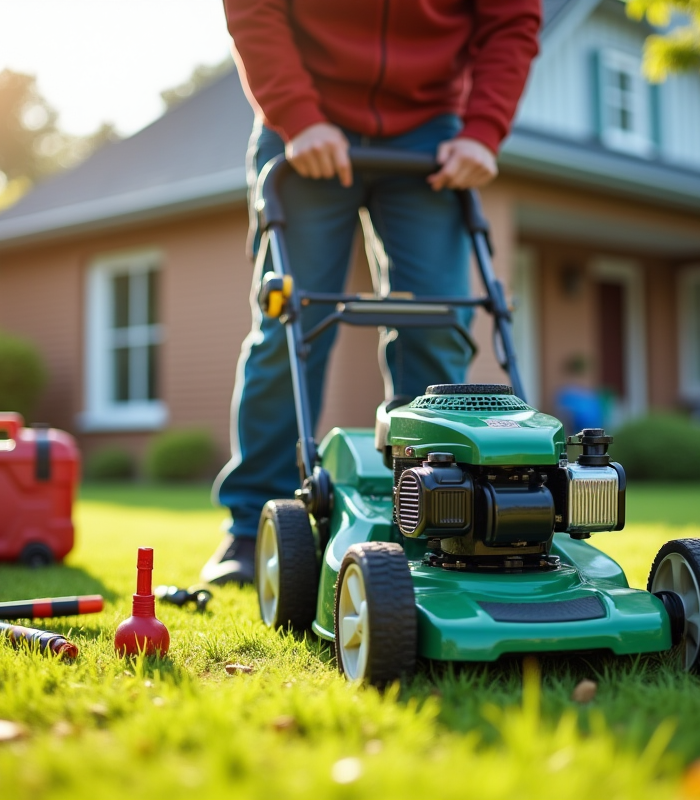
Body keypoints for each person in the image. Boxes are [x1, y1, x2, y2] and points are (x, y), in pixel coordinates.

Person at [204, 0, 542, 584]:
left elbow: (512, 19)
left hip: (430, 131)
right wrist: (297, 115)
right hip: (306, 116)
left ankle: (438, 511)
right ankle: (248, 526)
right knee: (290, 325)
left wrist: (484, 130)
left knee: (437, 325)